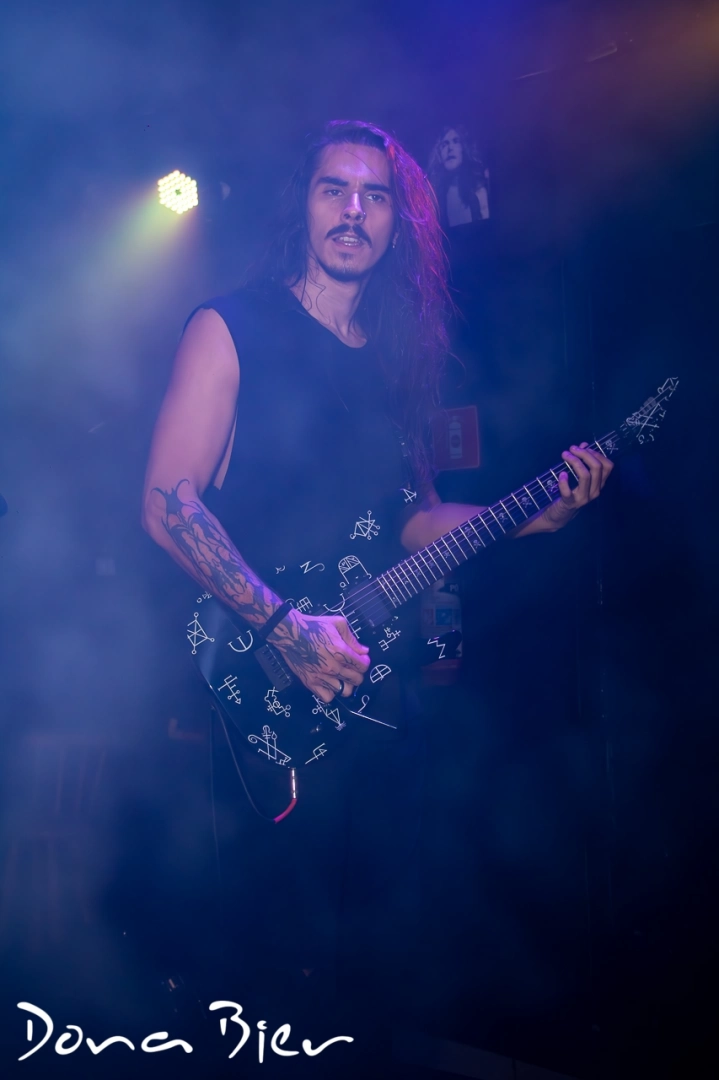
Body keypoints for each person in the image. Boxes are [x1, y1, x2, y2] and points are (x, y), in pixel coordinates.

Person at [140, 119, 612, 1016]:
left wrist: (533, 515)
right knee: (273, 970)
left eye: (375, 195)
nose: (353, 210)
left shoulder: (394, 366)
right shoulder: (231, 326)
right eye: (334, 189)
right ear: (303, 205)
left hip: (372, 699)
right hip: (263, 694)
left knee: (376, 968)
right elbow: (168, 503)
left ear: (400, 222)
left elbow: (414, 522)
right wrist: (284, 627)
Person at [428, 124, 490, 228]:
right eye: (444, 145)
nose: (450, 148)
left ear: (464, 148)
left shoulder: (480, 191)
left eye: (456, 141)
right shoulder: (434, 199)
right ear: (439, 155)